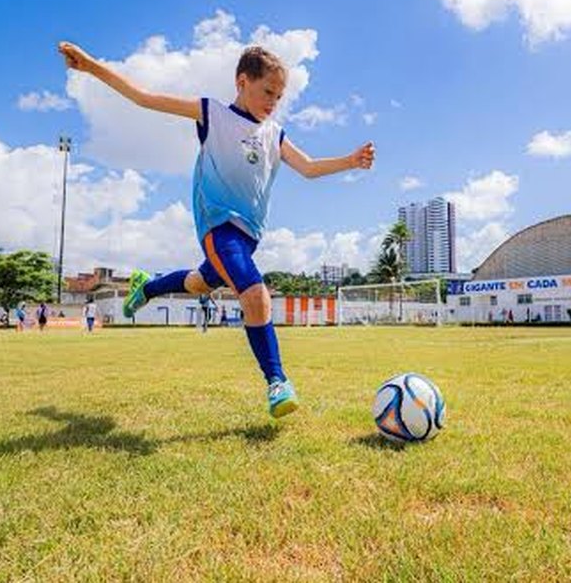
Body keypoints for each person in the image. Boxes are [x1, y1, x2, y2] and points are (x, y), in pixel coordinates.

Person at [59, 41, 374, 418]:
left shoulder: (275, 134)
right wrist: (93, 67)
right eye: (267, 92)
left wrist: (351, 161)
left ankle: (148, 285)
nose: (273, 101)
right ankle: (277, 381)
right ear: (243, 82)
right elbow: (144, 99)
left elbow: (308, 168)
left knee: (200, 282)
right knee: (255, 294)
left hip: (248, 236)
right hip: (218, 226)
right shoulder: (213, 114)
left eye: (279, 95)